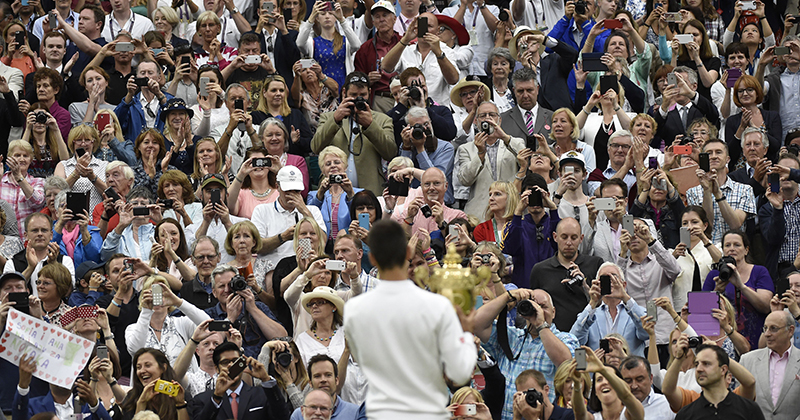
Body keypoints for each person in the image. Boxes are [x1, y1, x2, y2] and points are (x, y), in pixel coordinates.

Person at [344, 220, 477, 418]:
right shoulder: (438, 306)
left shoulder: (354, 310)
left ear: (372, 258)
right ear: (408, 254)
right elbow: (459, 373)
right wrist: (466, 334)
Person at [473, 287, 578, 420]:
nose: (538, 310)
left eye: (543, 306)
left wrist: (541, 325)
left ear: (554, 312)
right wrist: (507, 297)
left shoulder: (566, 339)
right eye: (533, 306)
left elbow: (565, 362)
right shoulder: (511, 336)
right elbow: (476, 324)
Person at [311, 72, 397, 196]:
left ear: (369, 92)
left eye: (363, 95)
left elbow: (390, 153)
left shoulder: (382, 119)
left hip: (369, 191)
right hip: (334, 190)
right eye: (353, 95)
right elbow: (315, 147)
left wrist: (370, 125)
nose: (358, 99)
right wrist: (335, 120)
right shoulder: (328, 117)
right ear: (344, 92)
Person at [617, 217, 681, 359]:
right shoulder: (623, 267)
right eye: (629, 231)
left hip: (666, 336)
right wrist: (622, 253)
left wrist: (651, 239)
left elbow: (675, 270)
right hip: (638, 341)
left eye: (639, 230)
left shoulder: (661, 261)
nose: (634, 235)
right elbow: (616, 293)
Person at [529, 217, 603, 331]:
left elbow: (605, 306)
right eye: (564, 237)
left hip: (589, 334)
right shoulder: (540, 269)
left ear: (581, 238)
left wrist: (584, 286)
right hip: (554, 337)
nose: (569, 242)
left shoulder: (595, 264)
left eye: (574, 237)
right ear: (555, 237)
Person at [702, 230, 773, 348]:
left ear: (746, 250)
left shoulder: (760, 271)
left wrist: (742, 286)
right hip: (723, 343)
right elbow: (702, 312)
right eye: (727, 245)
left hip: (756, 338)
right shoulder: (714, 275)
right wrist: (717, 292)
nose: (732, 248)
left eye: (737, 245)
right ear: (723, 250)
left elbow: (765, 307)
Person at [189, 341, 290, 420]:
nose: (231, 365)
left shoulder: (262, 395)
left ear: (243, 364)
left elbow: (283, 417)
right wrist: (217, 397)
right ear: (216, 368)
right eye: (225, 362)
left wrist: (266, 379)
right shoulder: (202, 400)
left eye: (235, 361)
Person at [457, 101, 525, 217]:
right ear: (476, 121)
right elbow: (464, 180)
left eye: (492, 115)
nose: (488, 118)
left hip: (510, 210)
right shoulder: (465, 148)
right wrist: (480, 154)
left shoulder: (515, 142)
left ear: (499, 120)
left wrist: (504, 137)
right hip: (478, 214)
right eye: (483, 116)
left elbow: (526, 161)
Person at [204, 265, 288, 357]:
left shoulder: (258, 307)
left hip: (259, 367)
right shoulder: (208, 315)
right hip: (225, 367)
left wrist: (252, 309)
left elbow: (282, 337)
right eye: (221, 286)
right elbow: (209, 347)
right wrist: (229, 319)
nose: (227, 290)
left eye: (231, 284)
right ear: (214, 292)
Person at [686, 139, 756, 244]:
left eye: (718, 152)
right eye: (709, 153)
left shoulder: (745, 190)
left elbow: (736, 225)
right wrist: (707, 191)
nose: (714, 156)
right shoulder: (692, 192)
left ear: (727, 159)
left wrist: (718, 194)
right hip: (705, 253)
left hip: (733, 251)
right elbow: (706, 225)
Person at [571, 263, 649, 357]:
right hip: (599, 369)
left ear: (624, 284)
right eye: (604, 278)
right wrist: (592, 303)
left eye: (614, 277)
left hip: (629, 369)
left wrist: (625, 297)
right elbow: (575, 340)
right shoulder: (589, 314)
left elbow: (647, 333)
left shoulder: (635, 311)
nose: (610, 282)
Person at [676, 345, 764, 420]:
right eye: (697, 364)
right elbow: (667, 389)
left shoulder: (748, 409)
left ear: (723, 369)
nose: (699, 369)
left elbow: (750, 382)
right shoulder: (686, 415)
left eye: (706, 364)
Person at [503, 173, 560, 288]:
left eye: (538, 195)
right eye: (530, 195)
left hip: (551, 288)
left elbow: (560, 245)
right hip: (523, 288)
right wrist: (518, 213)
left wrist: (553, 208)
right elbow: (511, 249)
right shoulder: (516, 225)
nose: (535, 200)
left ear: (547, 195)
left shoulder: (555, 223)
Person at [3, 212, 75, 294]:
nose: (40, 234)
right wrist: (30, 268)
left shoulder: (65, 261)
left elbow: (68, 292)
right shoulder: (12, 263)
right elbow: (8, 294)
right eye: (35, 230)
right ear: (26, 235)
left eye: (44, 230)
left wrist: (54, 265)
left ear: (51, 235)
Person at [296, 1, 360, 90]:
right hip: (321, 88)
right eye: (322, 14)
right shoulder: (312, 42)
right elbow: (299, 43)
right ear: (317, 18)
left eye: (331, 13)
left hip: (343, 86)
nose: (327, 16)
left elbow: (357, 45)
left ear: (335, 17)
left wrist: (342, 19)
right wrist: (311, 18)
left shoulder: (345, 41)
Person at [648, 67, 720, 146]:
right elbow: (655, 131)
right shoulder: (665, 114)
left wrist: (691, 94)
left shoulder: (702, 109)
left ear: (694, 86)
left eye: (682, 83)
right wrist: (664, 105)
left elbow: (714, 114)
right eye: (675, 84)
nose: (678, 88)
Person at [568, 347, 645, 420]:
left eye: (609, 378)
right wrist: (577, 382)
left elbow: (626, 395)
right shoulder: (593, 418)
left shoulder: (632, 414)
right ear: (595, 391)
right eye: (599, 379)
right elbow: (579, 413)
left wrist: (603, 370)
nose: (604, 383)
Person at [184, 174, 248, 258]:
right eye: (209, 191)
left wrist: (227, 223)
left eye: (218, 190)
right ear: (201, 197)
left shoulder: (243, 223)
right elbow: (190, 251)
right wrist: (206, 222)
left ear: (227, 195)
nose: (213, 195)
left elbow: (248, 248)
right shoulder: (191, 228)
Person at [353, 1, 400, 114]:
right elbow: (357, 80)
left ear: (394, 19)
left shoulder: (404, 43)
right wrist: (367, 79)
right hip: (380, 97)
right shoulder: (364, 49)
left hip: (403, 94)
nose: (381, 19)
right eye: (377, 17)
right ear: (373, 22)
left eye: (385, 15)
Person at [308, 146, 362, 244]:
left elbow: (361, 218)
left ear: (345, 167)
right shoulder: (313, 195)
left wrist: (350, 194)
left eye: (337, 162)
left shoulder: (359, 193)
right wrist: (321, 193)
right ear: (323, 170)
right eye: (328, 164)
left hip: (350, 244)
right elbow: (309, 217)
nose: (333, 166)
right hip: (323, 246)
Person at [724, 76, 781, 169]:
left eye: (750, 90)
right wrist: (741, 128)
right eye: (741, 91)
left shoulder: (772, 116)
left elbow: (775, 147)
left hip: (766, 169)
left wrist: (754, 127)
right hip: (739, 173)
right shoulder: (732, 121)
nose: (745, 94)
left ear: (757, 92)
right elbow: (730, 153)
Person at [672, 206, 721, 311]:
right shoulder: (673, 253)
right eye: (685, 223)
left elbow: (720, 261)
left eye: (694, 222)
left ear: (705, 226)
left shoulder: (716, 248)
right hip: (682, 310)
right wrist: (674, 256)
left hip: (710, 307)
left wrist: (704, 238)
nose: (689, 227)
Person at [114, 60, 173, 143]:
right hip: (136, 152)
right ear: (136, 76)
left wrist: (159, 94)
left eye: (150, 73)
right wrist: (129, 95)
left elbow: (176, 119)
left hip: (164, 150)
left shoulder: (169, 99)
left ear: (159, 77)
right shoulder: (130, 101)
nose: (146, 76)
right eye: (142, 73)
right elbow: (116, 123)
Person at [251, 75, 312, 156]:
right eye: (273, 90)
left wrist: (297, 141)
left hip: (293, 163)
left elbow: (311, 144)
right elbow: (252, 144)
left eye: (281, 90)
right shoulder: (255, 116)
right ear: (264, 92)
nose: (278, 94)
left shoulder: (296, 114)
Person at [119, 348, 186, 420]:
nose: (142, 371)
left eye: (148, 365)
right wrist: (142, 403)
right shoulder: (131, 398)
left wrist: (180, 404)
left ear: (163, 367)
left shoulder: (179, 394)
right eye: (138, 367)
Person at [287, 354, 359, 420]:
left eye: (328, 375)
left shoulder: (355, 413)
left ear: (336, 380)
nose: (323, 380)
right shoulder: (299, 415)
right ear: (310, 383)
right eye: (317, 376)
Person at [54, 125, 109, 212]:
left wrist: (93, 177)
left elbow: (110, 194)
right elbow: (57, 193)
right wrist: (76, 172)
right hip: (70, 218)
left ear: (93, 142)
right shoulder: (63, 165)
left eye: (87, 140)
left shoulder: (104, 165)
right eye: (79, 140)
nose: (83, 143)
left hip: (97, 219)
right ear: (73, 143)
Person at [629, 166, 685, 250]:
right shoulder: (641, 210)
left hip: (673, 257)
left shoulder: (675, 210)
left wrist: (668, 183)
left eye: (662, 184)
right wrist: (645, 189)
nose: (658, 188)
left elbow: (683, 216)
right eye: (653, 184)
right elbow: (630, 222)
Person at [99, 185, 160, 262]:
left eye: (143, 203)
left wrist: (160, 222)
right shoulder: (119, 235)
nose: (139, 206)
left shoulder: (157, 231)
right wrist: (120, 226)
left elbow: (174, 249)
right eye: (134, 203)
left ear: (151, 207)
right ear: (127, 207)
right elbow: (105, 257)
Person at [756, 37, 800, 143]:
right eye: (787, 50)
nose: (791, 53)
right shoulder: (774, 78)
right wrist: (761, 65)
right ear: (783, 56)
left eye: (795, 49)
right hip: (783, 137)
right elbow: (758, 92)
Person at [499, 68, 553, 142]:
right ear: (514, 91)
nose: (525, 95)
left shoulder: (553, 118)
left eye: (529, 90)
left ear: (537, 89)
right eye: (520, 91)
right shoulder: (502, 120)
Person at [1, 140, 45, 230]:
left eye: (25, 156)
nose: (21, 159)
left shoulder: (38, 181)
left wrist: (19, 177)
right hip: (3, 239)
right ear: (9, 158)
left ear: (31, 159)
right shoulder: (2, 180)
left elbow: (38, 203)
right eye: (17, 155)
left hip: (27, 240)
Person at [51, 191, 103, 266]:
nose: (68, 209)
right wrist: (60, 224)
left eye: (71, 205)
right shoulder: (50, 232)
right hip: (59, 275)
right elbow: (46, 253)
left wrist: (84, 231)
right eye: (63, 206)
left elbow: (95, 258)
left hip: (85, 276)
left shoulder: (92, 231)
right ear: (56, 213)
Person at [290, 59, 339, 131]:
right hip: (315, 137)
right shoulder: (303, 95)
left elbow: (335, 89)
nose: (308, 71)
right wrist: (297, 76)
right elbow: (295, 99)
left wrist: (321, 75)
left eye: (311, 69)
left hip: (336, 132)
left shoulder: (327, 88)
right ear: (301, 78)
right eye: (303, 70)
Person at [23, 104, 70, 179]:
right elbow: (20, 156)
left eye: (42, 117)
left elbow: (65, 161)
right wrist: (28, 128)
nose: (39, 122)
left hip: (51, 185)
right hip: (29, 184)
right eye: (35, 118)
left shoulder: (55, 143)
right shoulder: (26, 142)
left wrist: (56, 129)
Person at [178, 236, 221, 310]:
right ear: (192, 260)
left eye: (210, 256)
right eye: (200, 257)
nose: (206, 261)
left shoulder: (227, 289)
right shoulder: (184, 291)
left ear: (219, 257)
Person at [159, 99, 200, 175]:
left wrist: (189, 142)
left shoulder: (198, 140)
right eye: (173, 114)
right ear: (167, 118)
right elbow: (162, 167)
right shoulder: (160, 141)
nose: (177, 117)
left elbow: (199, 165)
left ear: (187, 117)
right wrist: (177, 146)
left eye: (181, 113)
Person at [472, 181, 519, 246]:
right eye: (490, 195)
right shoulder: (482, 229)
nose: (491, 198)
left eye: (497, 194)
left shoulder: (522, 225)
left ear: (510, 198)